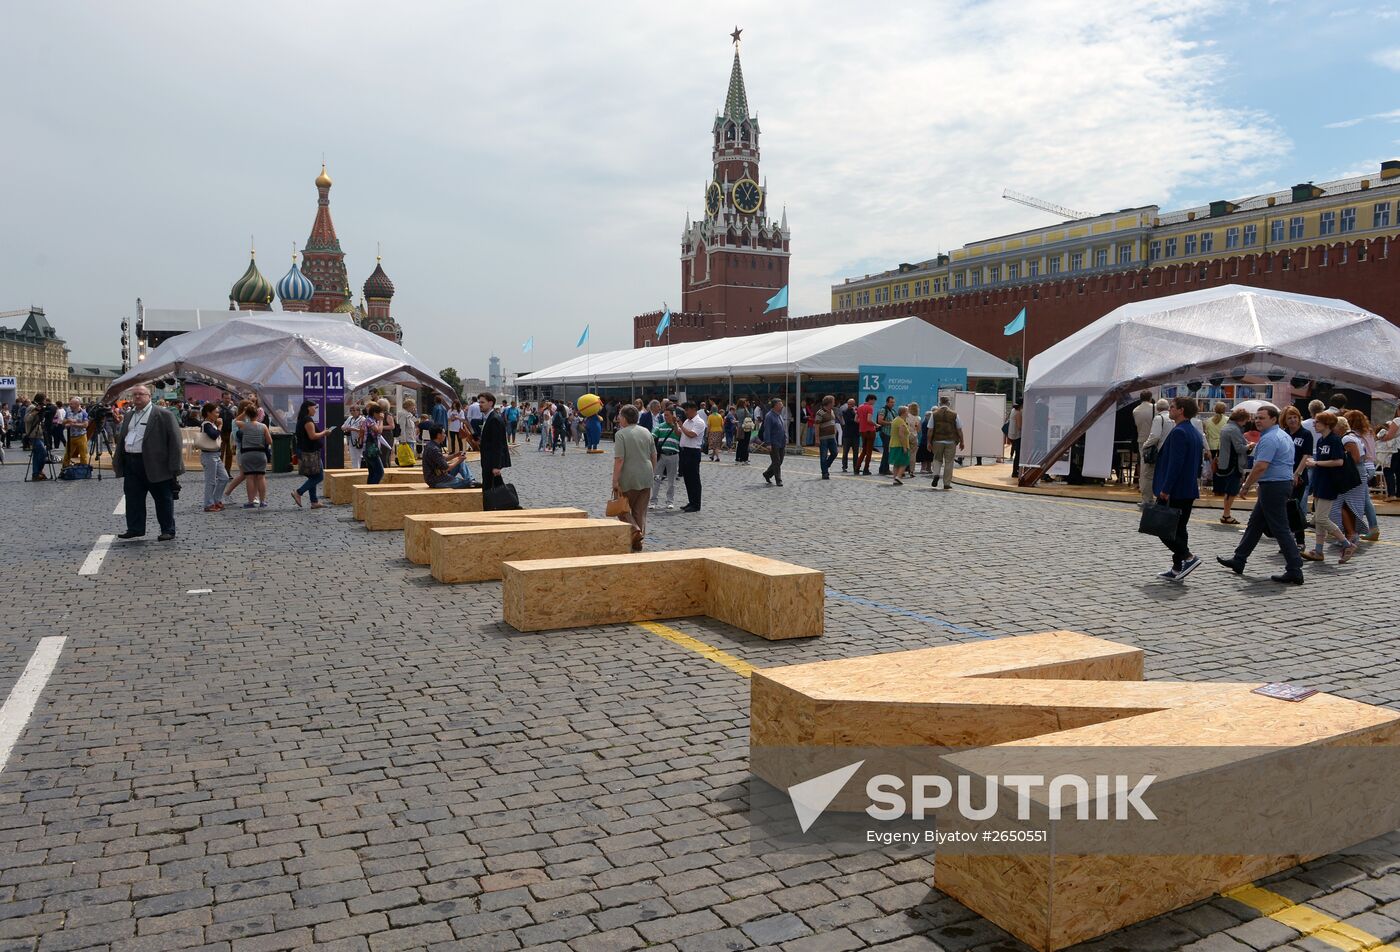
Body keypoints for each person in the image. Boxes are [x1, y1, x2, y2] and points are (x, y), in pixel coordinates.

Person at [1216, 405, 1305, 585]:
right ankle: (1239, 559)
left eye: (1262, 418)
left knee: (1280, 527)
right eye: (1256, 417)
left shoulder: (1270, 438)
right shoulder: (1283, 435)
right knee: (1255, 524)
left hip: (1274, 486)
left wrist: (1246, 485)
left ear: (1273, 419)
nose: (1257, 420)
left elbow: (1261, 466)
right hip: (1278, 484)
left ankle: (1295, 568)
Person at [113, 385, 183, 540]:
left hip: (156, 464)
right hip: (132, 462)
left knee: (163, 498)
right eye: (134, 394)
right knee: (133, 498)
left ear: (149, 396)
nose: (137, 397)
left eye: (141, 394)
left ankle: (167, 529)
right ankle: (135, 528)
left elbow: (175, 442)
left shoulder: (163, 414)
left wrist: (174, 466)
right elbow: (122, 439)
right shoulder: (129, 415)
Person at [1151, 396, 1205, 581]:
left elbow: (1175, 464)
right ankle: (1177, 568)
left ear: (1181, 410)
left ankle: (1188, 557)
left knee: (1163, 529)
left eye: (1172, 407)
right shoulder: (1193, 431)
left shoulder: (1179, 432)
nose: (1170, 410)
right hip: (1188, 488)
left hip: (1176, 490)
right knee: (1180, 529)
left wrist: (1165, 489)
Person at [1301, 411, 1358, 564]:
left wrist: (1316, 463)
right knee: (1319, 520)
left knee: (1321, 518)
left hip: (1329, 483)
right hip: (1320, 482)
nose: (1314, 424)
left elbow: (1339, 461)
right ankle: (1318, 551)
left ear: (1327, 424)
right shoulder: (1320, 440)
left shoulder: (1334, 440)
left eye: (1318, 422)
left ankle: (1347, 544)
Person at [611, 404, 656, 551]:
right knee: (640, 511)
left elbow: (619, 460)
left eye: (619, 416)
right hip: (646, 474)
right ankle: (638, 541)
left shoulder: (621, 434)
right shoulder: (646, 432)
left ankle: (635, 530)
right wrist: (652, 471)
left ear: (624, 418)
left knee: (622, 509)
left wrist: (615, 480)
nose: (618, 419)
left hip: (628, 476)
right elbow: (653, 455)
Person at [1343, 410, 1380, 542]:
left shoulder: (1353, 435)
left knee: (1363, 500)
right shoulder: (1369, 431)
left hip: (1362, 467)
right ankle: (1372, 528)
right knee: (1365, 499)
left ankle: (1372, 528)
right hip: (1371, 467)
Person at [1332, 414, 1369, 546]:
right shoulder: (1352, 436)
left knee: (1344, 505)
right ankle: (1350, 533)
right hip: (1357, 473)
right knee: (1348, 505)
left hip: (1353, 475)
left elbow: (1356, 458)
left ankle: (1350, 533)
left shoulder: (1347, 438)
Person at [1281, 406, 1313, 549]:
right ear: (1285, 420)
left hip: (1298, 477)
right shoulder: (1284, 434)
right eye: (1290, 418)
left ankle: (1300, 541)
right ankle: (1286, 541)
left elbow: (1306, 455)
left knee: (1295, 508)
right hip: (1283, 475)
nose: (1293, 420)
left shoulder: (1305, 434)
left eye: (1295, 417)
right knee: (1283, 510)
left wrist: (1297, 473)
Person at [292, 399, 333, 509]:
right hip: (310, 452)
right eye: (314, 407)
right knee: (319, 476)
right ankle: (298, 492)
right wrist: (325, 433)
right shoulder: (307, 420)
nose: (315, 410)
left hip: (305, 450)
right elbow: (312, 436)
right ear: (308, 408)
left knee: (313, 476)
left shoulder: (302, 419)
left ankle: (314, 502)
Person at [232, 403, 272, 508]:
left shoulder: (243, 425)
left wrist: (244, 413)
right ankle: (262, 501)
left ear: (248, 415)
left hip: (247, 454)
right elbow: (269, 441)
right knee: (261, 477)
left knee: (249, 477)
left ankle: (250, 501)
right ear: (257, 414)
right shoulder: (263, 426)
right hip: (260, 454)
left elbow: (235, 421)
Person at [1213, 408, 1249, 525]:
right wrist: (1250, 445)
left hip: (1225, 463)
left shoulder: (1226, 427)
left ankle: (1226, 514)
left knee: (1229, 490)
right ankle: (1226, 514)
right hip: (1233, 464)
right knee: (1232, 491)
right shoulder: (1234, 430)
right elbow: (1239, 448)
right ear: (1242, 419)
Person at [926, 396, 964, 491]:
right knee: (949, 462)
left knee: (937, 459)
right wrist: (962, 441)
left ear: (939, 403)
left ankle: (936, 474)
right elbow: (959, 429)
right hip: (951, 441)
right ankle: (946, 483)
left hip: (937, 441)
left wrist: (929, 442)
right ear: (948, 403)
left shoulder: (934, 414)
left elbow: (930, 430)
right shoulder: (954, 414)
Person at [421, 424, 476, 488]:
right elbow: (447, 468)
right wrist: (459, 460)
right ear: (438, 435)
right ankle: (470, 482)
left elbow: (443, 459)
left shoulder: (431, 445)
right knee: (465, 483)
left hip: (440, 475)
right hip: (437, 480)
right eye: (443, 433)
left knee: (461, 464)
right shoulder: (434, 449)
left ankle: (471, 480)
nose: (445, 435)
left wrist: (455, 455)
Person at [197, 404, 229, 512]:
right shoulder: (206, 424)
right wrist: (220, 427)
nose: (217, 414)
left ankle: (216, 500)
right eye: (215, 412)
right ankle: (208, 504)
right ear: (208, 413)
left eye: (218, 412)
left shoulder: (212, 424)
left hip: (216, 455)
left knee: (224, 477)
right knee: (210, 481)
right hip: (209, 455)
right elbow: (213, 435)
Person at [477, 392, 510, 490]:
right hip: (488, 460)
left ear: (490, 403)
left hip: (491, 462)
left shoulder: (494, 419)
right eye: (479, 402)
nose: (480, 404)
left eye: (482, 402)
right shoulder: (488, 418)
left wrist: (496, 466)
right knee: (489, 489)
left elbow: (498, 444)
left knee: (490, 490)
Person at [650, 407, 681, 510]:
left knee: (671, 481)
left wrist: (675, 423)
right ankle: (653, 501)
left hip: (673, 455)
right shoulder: (660, 426)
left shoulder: (677, 426)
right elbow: (652, 436)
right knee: (656, 479)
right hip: (661, 456)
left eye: (667, 415)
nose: (665, 417)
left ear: (673, 415)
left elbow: (678, 433)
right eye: (664, 415)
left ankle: (670, 501)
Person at [677, 401, 705, 511]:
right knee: (687, 479)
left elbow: (691, 434)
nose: (686, 413)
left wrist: (681, 426)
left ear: (693, 409)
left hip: (693, 452)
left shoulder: (699, 422)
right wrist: (676, 425)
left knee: (694, 479)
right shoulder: (687, 422)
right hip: (684, 451)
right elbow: (679, 433)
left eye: (687, 410)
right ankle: (691, 501)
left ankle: (696, 504)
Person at [24, 393, 52, 480]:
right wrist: (36, 411)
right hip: (33, 434)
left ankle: (36, 474)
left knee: (36, 454)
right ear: (41, 400)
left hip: (39, 434)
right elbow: (26, 419)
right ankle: (38, 471)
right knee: (43, 452)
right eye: (44, 400)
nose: (45, 402)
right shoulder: (32, 407)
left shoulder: (39, 407)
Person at [761, 398, 787, 486]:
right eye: (780, 404)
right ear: (775, 406)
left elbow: (782, 428)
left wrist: (785, 437)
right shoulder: (769, 416)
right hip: (774, 442)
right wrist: (768, 443)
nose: (782, 406)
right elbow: (767, 430)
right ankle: (778, 480)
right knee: (776, 462)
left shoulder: (779, 415)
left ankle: (767, 474)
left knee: (780, 461)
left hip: (781, 442)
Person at [815, 395, 840, 480]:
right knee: (823, 456)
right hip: (823, 438)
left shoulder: (832, 411)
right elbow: (817, 426)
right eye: (833, 401)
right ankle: (825, 473)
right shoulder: (820, 412)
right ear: (829, 403)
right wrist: (817, 439)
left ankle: (826, 465)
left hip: (832, 437)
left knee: (835, 453)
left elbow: (833, 422)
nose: (834, 403)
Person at [361, 403, 387, 484]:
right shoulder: (370, 420)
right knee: (380, 472)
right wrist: (381, 420)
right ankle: (372, 489)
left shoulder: (371, 420)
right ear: (375, 413)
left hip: (369, 449)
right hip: (371, 450)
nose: (381, 415)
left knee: (372, 473)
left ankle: (367, 490)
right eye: (380, 413)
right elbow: (378, 431)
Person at [61, 397, 89, 467]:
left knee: (83, 454)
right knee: (67, 454)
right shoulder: (68, 412)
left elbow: (85, 425)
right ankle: (64, 468)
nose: (70, 405)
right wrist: (68, 421)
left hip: (81, 436)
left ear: (77, 404)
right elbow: (63, 422)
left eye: (71, 404)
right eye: (70, 404)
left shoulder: (83, 413)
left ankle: (84, 469)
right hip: (71, 436)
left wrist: (74, 424)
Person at [888, 404, 912, 485]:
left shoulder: (896, 420)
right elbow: (901, 435)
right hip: (900, 445)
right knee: (904, 462)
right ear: (904, 412)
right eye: (907, 411)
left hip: (894, 444)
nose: (908, 412)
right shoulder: (901, 421)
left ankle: (895, 478)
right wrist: (904, 447)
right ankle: (898, 476)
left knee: (896, 463)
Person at [855, 394, 877, 475]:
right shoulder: (870, 407)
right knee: (869, 451)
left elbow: (856, 420)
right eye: (874, 400)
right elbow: (869, 420)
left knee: (864, 450)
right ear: (871, 400)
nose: (874, 402)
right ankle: (866, 469)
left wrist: (862, 423)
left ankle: (857, 468)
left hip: (862, 431)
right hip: (870, 431)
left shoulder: (860, 407)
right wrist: (876, 425)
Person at [876, 395, 897, 476]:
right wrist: (890, 423)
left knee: (887, 452)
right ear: (887, 402)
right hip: (885, 433)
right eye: (891, 402)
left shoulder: (893, 411)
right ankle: (884, 469)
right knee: (886, 452)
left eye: (893, 402)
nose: (893, 404)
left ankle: (883, 468)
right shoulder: (883, 410)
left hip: (891, 434)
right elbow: (880, 421)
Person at [1202, 402, 1227, 469]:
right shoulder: (1228, 420)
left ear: (1214, 409)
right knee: (1221, 466)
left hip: (1211, 446)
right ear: (1224, 410)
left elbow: (1206, 435)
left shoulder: (1207, 421)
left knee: (1211, 467)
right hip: (1223, 446)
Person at [840, 398, 859, 473]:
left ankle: (856, 466)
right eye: (849, 404)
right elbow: (850, 421)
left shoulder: (857, 411)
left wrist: (855, 413)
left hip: (855, 434)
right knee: (845, 452)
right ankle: (844, 466)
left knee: (856, 452)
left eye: (852, 404)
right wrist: (855, 416)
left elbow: (859, 420)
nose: (850, 405)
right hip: (847, 434)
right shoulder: (845, 411)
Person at [1006, 400, 1024, 478]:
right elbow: (1020, 426)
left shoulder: (1013, 410)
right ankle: (1015, 472)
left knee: (1017, 454)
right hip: (1017, 436)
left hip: (1012, 435)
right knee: (1018, 454)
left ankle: (1015, 471)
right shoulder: (1018, 413)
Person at [733, 398, 753, 465]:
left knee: (740, 444)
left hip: (739, 428)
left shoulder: (737, 410)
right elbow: (750, 416)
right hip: (746, 428)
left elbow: (736, 418)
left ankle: (738, 458)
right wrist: (748, 408)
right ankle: (744, 459)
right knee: (745, 444)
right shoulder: (744, 410)